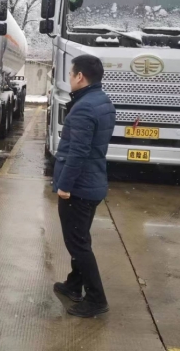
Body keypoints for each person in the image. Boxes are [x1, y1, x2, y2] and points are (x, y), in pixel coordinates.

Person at [53, 54, 116, 318]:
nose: (69, 78)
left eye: (71, 74)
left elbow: (78, 152)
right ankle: (73, 284)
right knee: (81, 238)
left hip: (79, 188)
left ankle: (96, 299)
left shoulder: (84, 108)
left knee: (78, 244)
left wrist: (65, 186)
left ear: (80, 76)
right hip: (93, 182)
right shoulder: (102, 101)